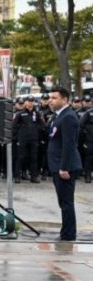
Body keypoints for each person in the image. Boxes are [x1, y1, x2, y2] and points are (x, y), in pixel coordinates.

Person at [47, 87, 83, 241]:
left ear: (65, 100)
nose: (50, 100)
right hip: (57, 164)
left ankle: (68, 234)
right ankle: (66, 231)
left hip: (64, 167)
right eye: (50, 97)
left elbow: (69, 144)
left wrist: (64, 167)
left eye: (54, 98)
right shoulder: (59, 116)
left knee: (66, 202)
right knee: (63, 202)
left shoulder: (68, 117)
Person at [14, 96, 42, 183]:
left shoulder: (36, 113)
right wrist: (16, 138)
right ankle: (17, 176)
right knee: (20, 157)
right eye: (29, 101)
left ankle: (33, 176)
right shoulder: (20, 113)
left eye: (32, 101)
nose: (30, 103)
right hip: (23, 139)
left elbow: (41, 125)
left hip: (33, 139)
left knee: (33, 158)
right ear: (25, 102)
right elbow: (14, 126)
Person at [81, 96, 93, 183]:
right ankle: (87, 175)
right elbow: (80, 125)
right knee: (89, 158)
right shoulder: (88, 113)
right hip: (89, 140)